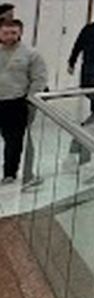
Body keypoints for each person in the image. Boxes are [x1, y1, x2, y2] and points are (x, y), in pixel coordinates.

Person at [0, 18, 47, 185]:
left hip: (16, 103)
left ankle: (9, 173)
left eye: (13, 32)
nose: (9, 36)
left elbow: (39, 80)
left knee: (13, 140)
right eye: (5, 32)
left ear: (20, 33)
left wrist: (31, 102)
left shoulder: (31, 54)